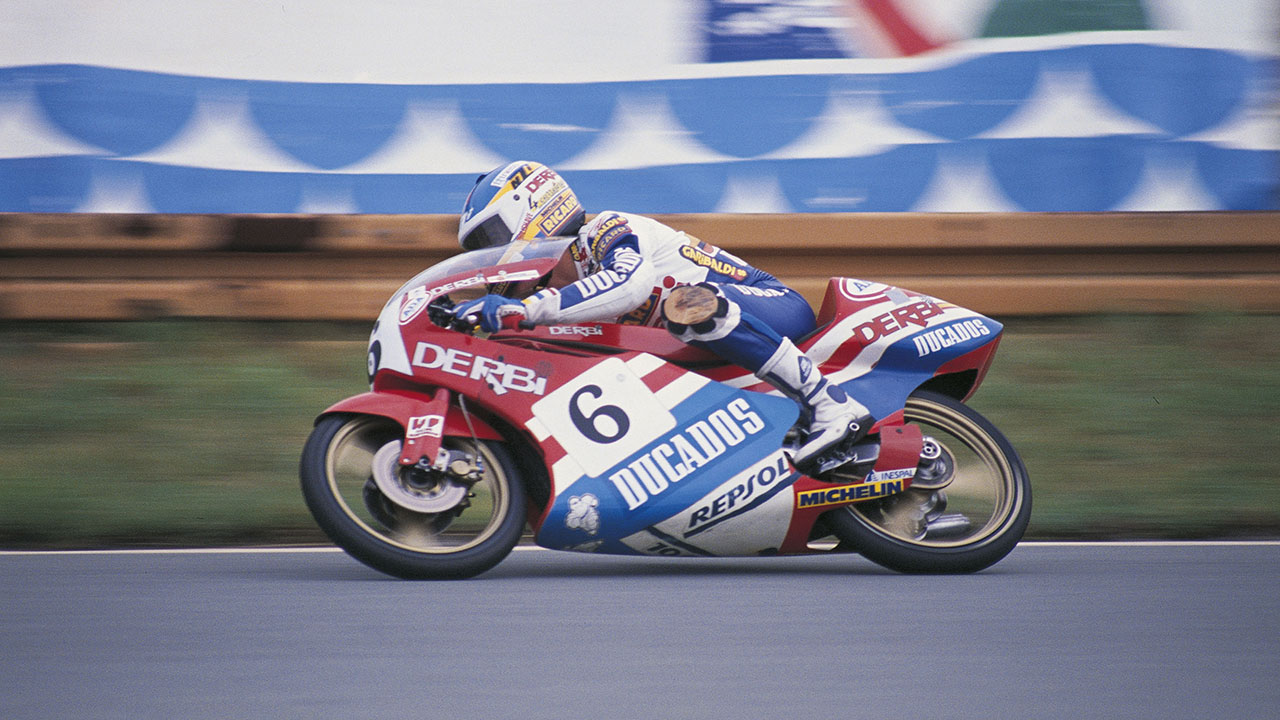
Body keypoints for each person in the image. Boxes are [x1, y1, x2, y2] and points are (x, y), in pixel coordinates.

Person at [453, 160, 874, 469]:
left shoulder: (606, 230)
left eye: (492, 237)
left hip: (773, 307)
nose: (491, 254)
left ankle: (831, 405)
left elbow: (629, 285)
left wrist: (527, 308)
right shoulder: (563, 299)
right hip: (705, 352)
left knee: (689, 304)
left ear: (535, 208)